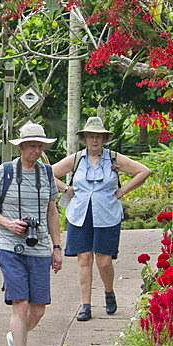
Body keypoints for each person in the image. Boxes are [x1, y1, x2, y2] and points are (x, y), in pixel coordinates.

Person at [0, 121, 63, 346]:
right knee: (22, 303)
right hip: (10, 247)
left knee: (38, 310)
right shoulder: (4, 172)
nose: (36, 151)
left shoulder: (48, 173)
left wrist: (57, 247)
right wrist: (9, 223)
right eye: (32, 146)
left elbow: (52, 211)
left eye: (40, 146)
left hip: (39, 247)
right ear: (21, 147)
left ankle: (15, 336)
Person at [51, 116, 151, 321]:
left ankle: (108, 292)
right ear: (85, 138)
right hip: (80, 215)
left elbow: (144, 171)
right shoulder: (76, 159)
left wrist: (122, 191)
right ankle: (85, 305)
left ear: (104, 139)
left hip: (107, 214)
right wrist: (66, 188)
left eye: (98, 137)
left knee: (104, 261)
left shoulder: (114, 158)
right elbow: (48, 173)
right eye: (90, 137)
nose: (94, 141)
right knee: (84, 258)